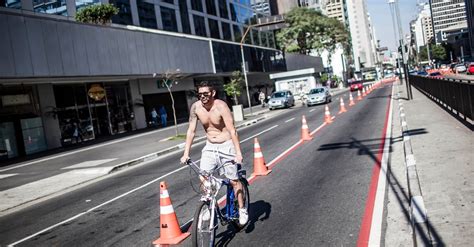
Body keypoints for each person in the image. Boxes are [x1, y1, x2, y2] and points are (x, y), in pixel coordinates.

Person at [180, 81, 248, 225]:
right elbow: (191, 131)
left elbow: (232, 130)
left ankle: (242, 209)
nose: (203, 97)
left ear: (213, 93)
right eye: (200, 94)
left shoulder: (221, 106)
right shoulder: (196, 108)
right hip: (210, 145)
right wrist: (186, 153)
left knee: (234, 181)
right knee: (202, 175)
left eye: (206, 94)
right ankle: (209, 207)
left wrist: (238, 153)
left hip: (226, 145)